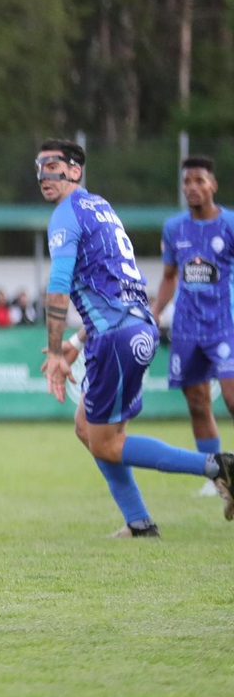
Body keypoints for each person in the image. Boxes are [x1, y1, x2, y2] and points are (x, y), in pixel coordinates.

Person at [35, 139, 234, 536]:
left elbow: (58, 285)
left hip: (118, 338)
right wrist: (76, 343)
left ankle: (217, 466)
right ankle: (139, 523)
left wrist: (56, 351)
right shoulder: (101, 208)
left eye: (54, 165)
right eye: (39, 167)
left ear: (75, 170)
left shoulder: (65, 214)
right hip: (130, 330)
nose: (44, 175)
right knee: (87, 428)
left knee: (107, 442)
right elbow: (115, 292)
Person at [152, 155, 234, 498]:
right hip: (186, 327)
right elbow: (170, 277)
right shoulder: (174, 228)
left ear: (213, 185)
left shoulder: (230, 224)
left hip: (224, 325)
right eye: (187, 182)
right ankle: (217, 476)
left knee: (231, 399)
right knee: (198, 402)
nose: (193, 188)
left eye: (200, 181)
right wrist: (154, 314)